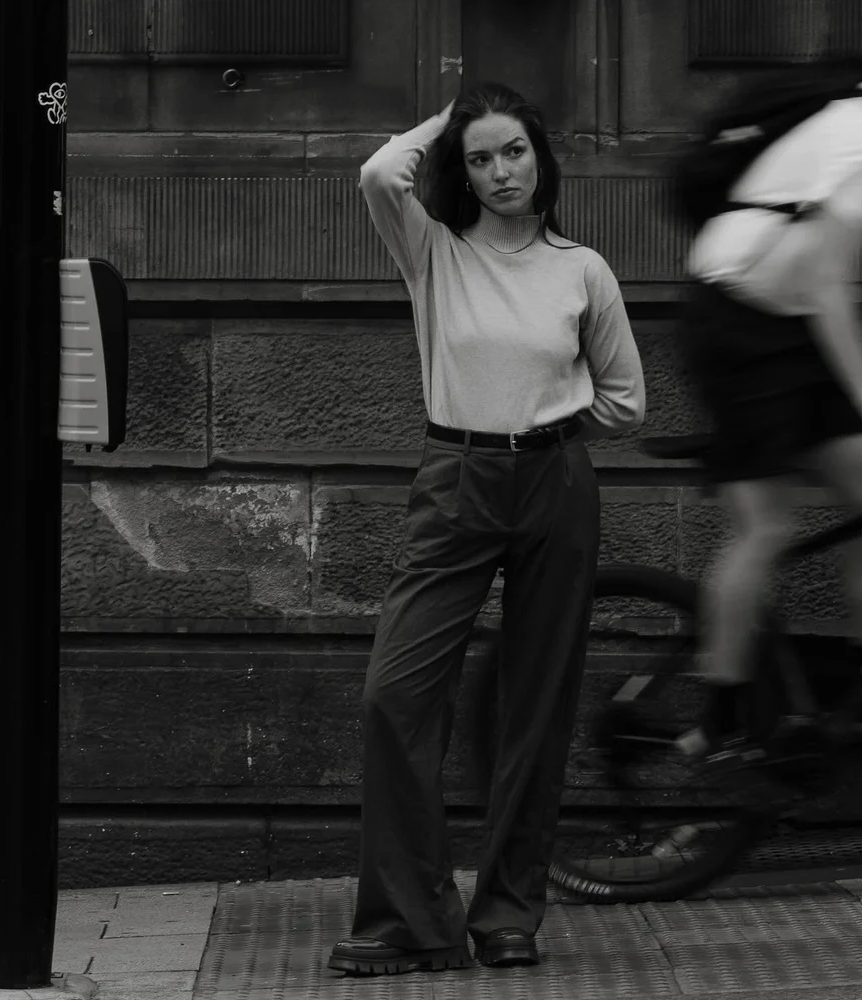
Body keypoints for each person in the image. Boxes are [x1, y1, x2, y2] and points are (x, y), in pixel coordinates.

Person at [327, 82, 646, 976]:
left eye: (514, 150)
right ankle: (410, 921)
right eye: (480, 158)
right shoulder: (433, 250)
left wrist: (548, 428)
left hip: (555, 481)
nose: (501, 171)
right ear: (460, 172)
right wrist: (452, 114)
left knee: (536, 703)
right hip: (456, 477)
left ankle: (509, 914)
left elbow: (626, 401)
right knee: (394, 695)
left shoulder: (582, 270)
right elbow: (378, 173)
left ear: (540, 157)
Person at [678, 0, 862, 773]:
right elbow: (827, 277)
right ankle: (720, 716)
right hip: (737, 321)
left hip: (795, 324)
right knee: (766, 527)